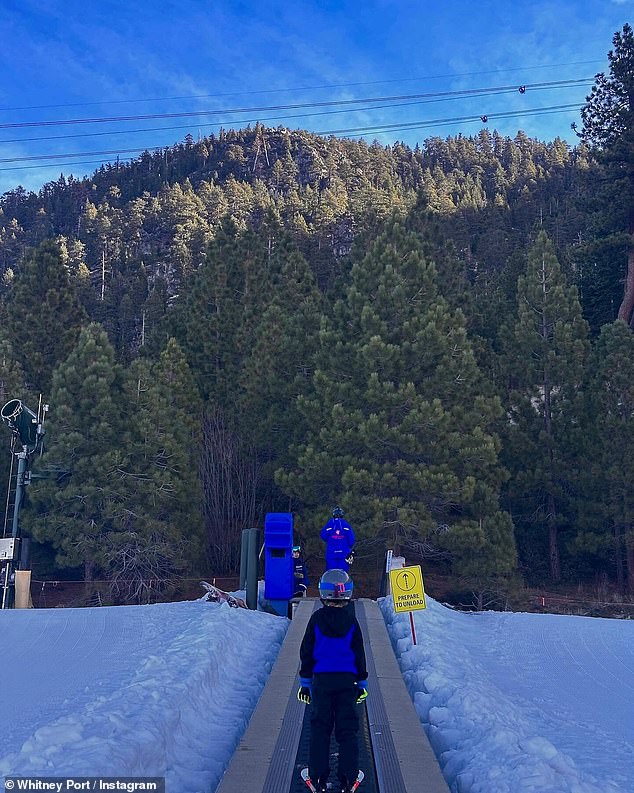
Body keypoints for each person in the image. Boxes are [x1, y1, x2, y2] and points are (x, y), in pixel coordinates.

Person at [297, 569, 368, 793]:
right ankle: (349, 778)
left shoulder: (316, 619)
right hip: (347, 682)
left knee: (320, 728)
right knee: (347, 730)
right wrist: (362, 682)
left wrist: (305, 682)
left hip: (322, 682)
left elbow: (306, 651)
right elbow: (359, 652)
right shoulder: (351, 620)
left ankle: (317, 777)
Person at [320, 506, 355, 572]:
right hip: (344, 553)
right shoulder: (346, 525)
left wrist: (330, 541)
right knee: (343, 573)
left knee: (331, 573)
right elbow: (351, 541)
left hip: (331, 553)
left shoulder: (330, 524)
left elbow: (323, 535)